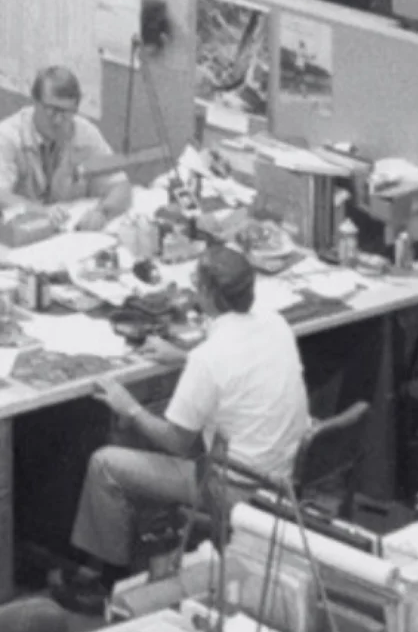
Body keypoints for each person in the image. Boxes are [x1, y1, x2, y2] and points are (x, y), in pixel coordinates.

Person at [53, 245, 309, 611]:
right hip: (280, 476)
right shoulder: (274, 324)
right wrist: (184, 359)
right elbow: (236, 371)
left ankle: (106, 585)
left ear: (206, 293)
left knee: (105, 463)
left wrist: (132, 408)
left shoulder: (210, 357)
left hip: (234, 486)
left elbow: (176, 441)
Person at [0, 65, 131, 232]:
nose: (58, 120)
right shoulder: (8, 136)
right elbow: (1, 196)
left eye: (67, 112)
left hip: (69, 236)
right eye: (51, 110)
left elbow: (121, 185)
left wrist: (102, 212)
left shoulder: (86, 133)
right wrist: (41, 212)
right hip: (21, 235)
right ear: (35, 102)